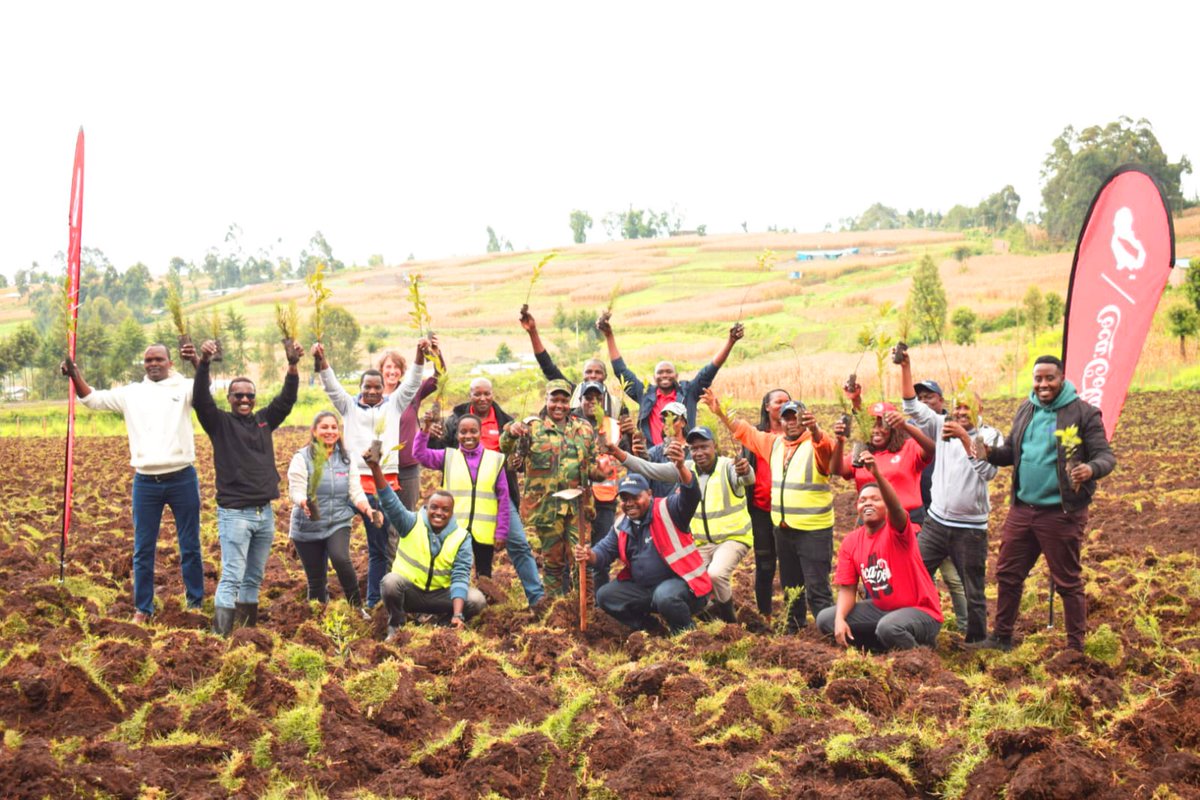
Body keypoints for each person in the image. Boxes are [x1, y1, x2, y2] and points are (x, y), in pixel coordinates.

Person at [969, 355, 1115, 652]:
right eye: (1038, 379)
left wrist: (1089, 469)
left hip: (1060, 514)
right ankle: (1002, 638)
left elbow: (1106, 457)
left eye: (1049, 378)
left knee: (1067, 581)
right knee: (1008, 574)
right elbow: (1010, 451)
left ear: (1061, 379)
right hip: (1023, 509)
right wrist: (989, 453)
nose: (1043, 384)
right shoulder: (1027, 408)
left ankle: (1075, 648)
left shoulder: (1084, 413)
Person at [61, 344, 204, 623]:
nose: (153, 364)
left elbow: (205, 392)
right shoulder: (131, 393)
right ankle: (143, 608)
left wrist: (199, 362)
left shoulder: (184, 387)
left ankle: (195, 602)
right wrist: (74, 375)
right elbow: (91, 399)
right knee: (143, 548)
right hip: (145, 481)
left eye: (159, 359)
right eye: (148, 360)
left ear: (169, 362)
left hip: (182, 477)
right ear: (144, 364)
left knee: (189, 544)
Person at [192, 338, 301, 636]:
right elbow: (201, 399)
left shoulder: (264, 421)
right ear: (228, 398)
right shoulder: (218, 423)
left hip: (264, 514)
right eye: (238, 395)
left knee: (254, 577)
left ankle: (245, 634)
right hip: (235, 514)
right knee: (232, 576)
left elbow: (286, 401)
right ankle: (220, 636)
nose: (244, 400)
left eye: (249, 395)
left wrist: (292, 367)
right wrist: (203, 363)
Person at [312, 339, 432, 610]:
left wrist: (418, 354)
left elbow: (413, 381)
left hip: (382, 486)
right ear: (361, 388)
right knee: (328, 538)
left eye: (377, 387)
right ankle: (320, 595)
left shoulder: (394, 405)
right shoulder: (349, 407)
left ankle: (375, 601)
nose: (373, 391)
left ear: (383, 390)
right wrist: (322, 358)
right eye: (368, 387)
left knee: (378, 547)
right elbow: (331, 385)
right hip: (352, 485)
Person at [704, 389, 838, 631]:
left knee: (818, 588)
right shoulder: (775, 444)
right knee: (791, 587)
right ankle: (793, 628)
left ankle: (828, 633)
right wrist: (720, 412)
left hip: (814, 531)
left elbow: (827, 447)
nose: (791, 422)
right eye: (787, 418)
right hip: (784, 530)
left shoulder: (816, 444)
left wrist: (816, 429)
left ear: (805, 420)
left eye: (796, 417)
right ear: (781, 421)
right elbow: (745, 432)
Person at [424, 376, 546, 608]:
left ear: (493, 395)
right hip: (462, 497)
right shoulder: (455, 421)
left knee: (518, 543)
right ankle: (444, 601)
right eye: (477, 394)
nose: (482, 398)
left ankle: (536, 598)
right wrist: (430, 434)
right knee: (450, 550)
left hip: (498, 495)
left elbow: (514, 462)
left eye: (486, 394)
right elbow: (439, 453)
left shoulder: (504, 422)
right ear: (470, 395)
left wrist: (517, 460)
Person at [901, 367, 1003, 643]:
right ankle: (917, 631)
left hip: (969, 530)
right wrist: (905, 366)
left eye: (966, 408)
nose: (960, 413)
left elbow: (988, 471)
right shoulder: (940, 425)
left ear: (979, 408)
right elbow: (912, 406)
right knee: (915, 575)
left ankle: (976, 641)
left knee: (973, 588)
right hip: (935, 523)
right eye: (957, 408)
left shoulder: (991, 436)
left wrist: (964, 437)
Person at [612, 426, 754, 622]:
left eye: (704, 447)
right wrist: (619, 453)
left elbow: (747, 478)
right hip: (701, 543)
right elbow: (649, 469)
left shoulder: (728, 467)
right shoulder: (685, 468)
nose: (699, 453)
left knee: (715, 574)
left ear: (715, 447)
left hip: (733, 538)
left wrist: (745, 471)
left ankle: (730, 621)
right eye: (694, 448)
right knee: (685, 580)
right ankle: (705, 615)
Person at [574, 445, 713, 634]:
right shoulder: (621, 525)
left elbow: (691, 495)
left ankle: (686, 635)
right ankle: (650, 628)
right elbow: (603, 553)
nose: (629, 503)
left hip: (686, 584)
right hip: (647, 590)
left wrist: (681, 467)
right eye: (624, 499)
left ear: (649, 494)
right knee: (606, 596)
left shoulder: (668, 509)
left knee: (665, 596)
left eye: (635, 497)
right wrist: (588, 555)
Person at [817, 452, 944, 651]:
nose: (868, 503)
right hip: (882, 611)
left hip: (921, 612)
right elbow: (848, 589)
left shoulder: (898, 531)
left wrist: (877, 475)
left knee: (890, 627)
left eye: (876, 499)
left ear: (886, 506)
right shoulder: (851, 542)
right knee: (826, 619)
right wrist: (840, 619)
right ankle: (878, 651)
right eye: (863, 500)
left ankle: (920, 656)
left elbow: (896, 508)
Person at [365, 448, 487, 641]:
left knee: (476, 600)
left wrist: (457, 614)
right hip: (409, 592)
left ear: (452, 513)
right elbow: (389, 501)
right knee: (390, 582)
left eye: (445, 510)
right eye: (434, 507)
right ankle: (396, 626)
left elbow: (460, 576)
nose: (439, 513)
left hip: (440, 596)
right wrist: (375, 468)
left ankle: (442, 626)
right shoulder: (411, 522)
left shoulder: (461, 537)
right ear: (426, 508)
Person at [500, 380, 606, 596]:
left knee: (581, 560)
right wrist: (511, 431)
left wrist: (602, 470)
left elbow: (593, 464)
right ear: (546, 400)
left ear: (570, 402)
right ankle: (556, 611)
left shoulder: (583, 429)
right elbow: (505, 448)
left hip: (578, 508)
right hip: (547, 508)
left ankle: (584, 608)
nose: (559, 405)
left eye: (564, 400)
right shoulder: (532, 428)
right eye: (554, 399)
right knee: (553, 563)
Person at [599, 315, 744, 445]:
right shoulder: (644, 393)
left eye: (669, 372)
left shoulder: (689, 393)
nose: (664, 375)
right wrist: (609, 335)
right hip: (653, 457)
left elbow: (710, 370)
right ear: (655, 377)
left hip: (683, 455)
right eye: (660, 372)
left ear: (677, 376)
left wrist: (730, 341)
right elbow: (621, 371)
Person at [287, 411, 376, 609]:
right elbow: (296, 490)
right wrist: (303, 503)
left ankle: (356, 607)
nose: (330, 431)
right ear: (314, 431)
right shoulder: (302, 458)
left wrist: (366, 508)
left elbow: (355, 491)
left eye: (333, 427)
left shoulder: (346, 458)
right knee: (316, 578)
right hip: (307, 526)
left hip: (338, 520)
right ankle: (318, 612)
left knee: (340, 558)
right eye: (324, 427)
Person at [414, 413, 508, 578]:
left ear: (481, 433)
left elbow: (503, 498)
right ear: (457, 435)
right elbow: (419, 454)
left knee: (484, 576)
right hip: (454, 529)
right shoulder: (447, 457)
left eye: (473, 431)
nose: (468, 436)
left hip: (484, 532)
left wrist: (501, 531)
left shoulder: (495, 460)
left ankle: (480, 601)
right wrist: (425, 430)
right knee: (452, 573)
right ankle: (453, 602)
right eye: (463, 432)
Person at [577, 380, 636, 591]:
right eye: (588, 398)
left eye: (597, 398)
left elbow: (630, 456)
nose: (592, 402)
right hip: (578, 499)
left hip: (604, 498)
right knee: (577, 550)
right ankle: (579, 597)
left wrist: (631, 433)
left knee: (600, 551)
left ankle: (600, 601)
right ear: (580, 400)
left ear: (603, 401)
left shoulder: (612, 425)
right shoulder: (572, 423)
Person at [833, 401, 934, 524]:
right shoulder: (862, 451)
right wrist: (840, 441)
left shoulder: (908, 447)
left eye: (882, 425)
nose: (876, 430)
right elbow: (837, 470)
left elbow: (931, 449)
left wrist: (906, 426)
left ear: (893, 428)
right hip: (870, 522)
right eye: (872, 425)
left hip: (906, 522)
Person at [519, 309, 622, 417]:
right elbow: (548, 367)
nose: (593, 375)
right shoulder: (571, 392)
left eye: (598, 372)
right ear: (583, 375)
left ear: (605, 376)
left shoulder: (617, 405)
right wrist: (533, 332)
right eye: (588, 372)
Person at [747, 389, 791, 616]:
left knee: (790, 565)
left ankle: (793, 613)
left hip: (790, 511)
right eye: (778, 401)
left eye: (787, 401)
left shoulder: (797, 434)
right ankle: (765, 614)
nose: (783, 405)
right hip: (762, 510)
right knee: (765, 565)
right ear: (767, 406)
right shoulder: (757, 435)